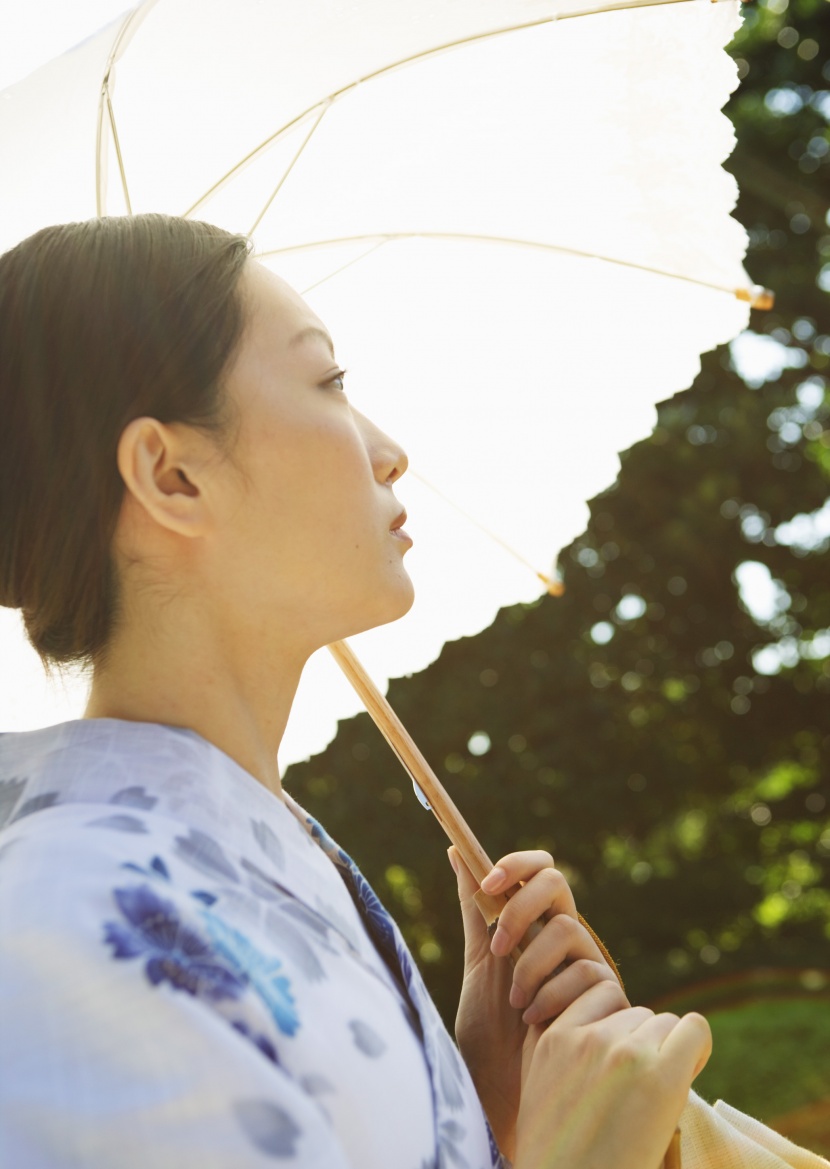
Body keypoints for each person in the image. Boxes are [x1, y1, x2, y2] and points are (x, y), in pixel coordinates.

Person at [0, 214, 711, 1169]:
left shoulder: (259, 858)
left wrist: (481, 1106)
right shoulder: (66, 923)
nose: (388, 448)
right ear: (172, 476)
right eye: (330, 383)